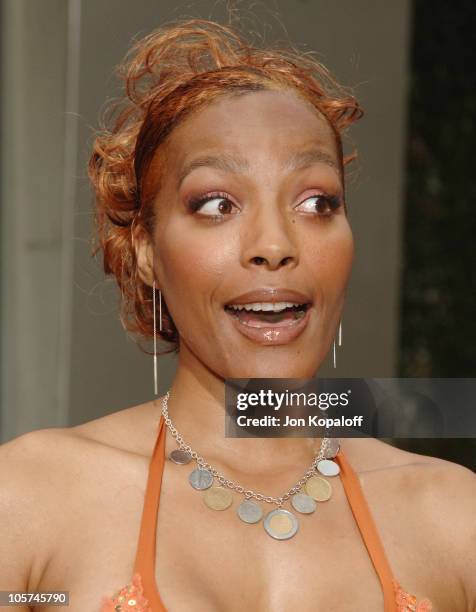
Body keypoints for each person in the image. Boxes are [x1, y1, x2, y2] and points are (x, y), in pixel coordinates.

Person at [1, 18, 474, 612]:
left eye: (316, 202)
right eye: (217, 204)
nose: (274, 243)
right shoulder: (31, 498)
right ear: (146, 251)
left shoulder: (451, 518)